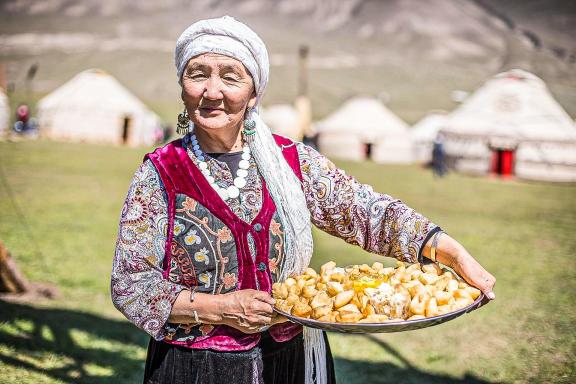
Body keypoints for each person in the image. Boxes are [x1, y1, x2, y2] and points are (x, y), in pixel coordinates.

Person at [111, 16, 496, 384]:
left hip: (292, 359)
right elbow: (131, 284)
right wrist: (220, 309)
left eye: (231, 77)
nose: (213, 92)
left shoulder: (291, 161)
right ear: (182, 86)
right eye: (198, 75)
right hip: (197, 367)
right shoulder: (161, 172)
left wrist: (449, 252)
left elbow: (365, 212)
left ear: (253, 92)